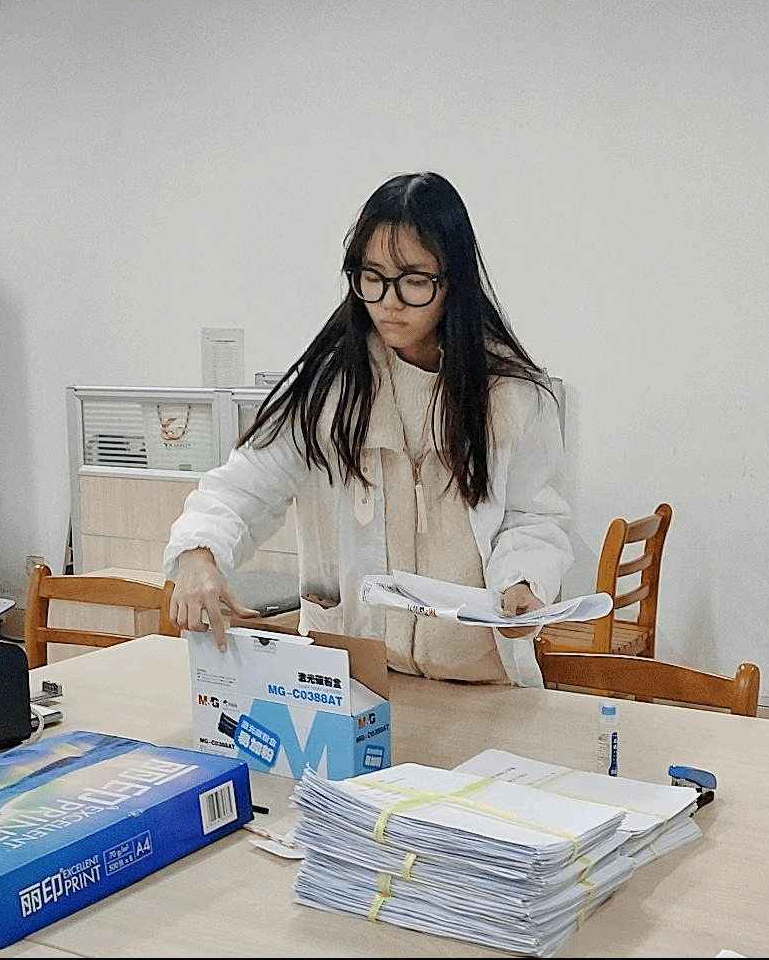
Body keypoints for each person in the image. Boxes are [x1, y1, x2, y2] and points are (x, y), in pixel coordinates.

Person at [163, 171, 573, 686]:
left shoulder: (510, 395)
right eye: (372, 277)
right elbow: (245, 486)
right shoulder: (329, 390)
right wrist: (199, 552)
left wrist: (524, 581)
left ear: (454, 281)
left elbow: (534, 516)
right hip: (355, 674)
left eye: (414, 280)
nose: (389, 301)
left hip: (479, 679)